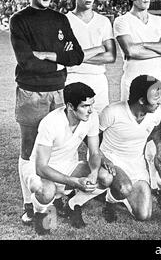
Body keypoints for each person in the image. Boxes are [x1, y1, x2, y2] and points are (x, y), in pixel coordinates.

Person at [9, 0, 84, 225]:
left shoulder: (60, 19)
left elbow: (77, 56)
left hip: (60, 93)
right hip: (31, 92)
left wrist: (50, 56)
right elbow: (27, 62)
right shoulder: (19, 20)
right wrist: (60, 63)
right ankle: (29, 204)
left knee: (59, 145)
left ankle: (58, 196)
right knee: (29, 149)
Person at [20, 82, 113, 235]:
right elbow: (41, 167)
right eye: (84, 106)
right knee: (46, 191)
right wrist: (74, 182)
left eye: (91, 105)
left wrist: (94, 172)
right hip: (39, 168)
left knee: (106, 177)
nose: (90, 110)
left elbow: (95, 152)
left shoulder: (92, 116)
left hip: (68, 165)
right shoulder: (50, 123)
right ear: (70, 106)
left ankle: (73, 203)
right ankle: (39, 212)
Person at [99, 75, 161, 222]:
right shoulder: (112, 112)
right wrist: (102, 158)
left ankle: (122, 194)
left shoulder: (156, 112)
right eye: (156, 100)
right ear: (142, 100)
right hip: (112, 159)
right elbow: (91, 136)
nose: (160, 103)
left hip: (136, 163)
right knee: (123, 188)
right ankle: (109, 201)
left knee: (144, 215)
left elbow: (155, 129)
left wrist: (160, 148)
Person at [113, 0, 161, 101]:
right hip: (133, 82)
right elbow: (131, 51)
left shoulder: (160, 21)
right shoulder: (122, 21)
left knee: (160, 119)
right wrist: (160, 49)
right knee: (132, 119)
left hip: (158, 81)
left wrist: (142, 45)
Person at [66, 0, 116, 114]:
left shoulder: (103, 21)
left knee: (99, 128)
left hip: (98, 80)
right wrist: (99, 48)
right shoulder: (65, 21)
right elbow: (64, 58)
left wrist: (77, 57)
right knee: (74, 127)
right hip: (73, 78)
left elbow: (111, 56)